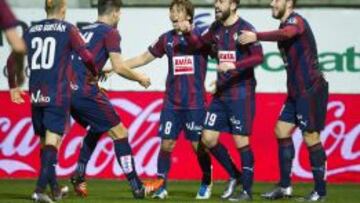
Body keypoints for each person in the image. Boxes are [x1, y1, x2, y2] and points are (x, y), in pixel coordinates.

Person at [6, 0, 97, 202]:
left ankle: (55, 190)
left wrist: (13, 86)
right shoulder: (68, 29)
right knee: (52, 142)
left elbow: (12, 60)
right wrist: (94, 74)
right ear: (63, 9)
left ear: (46, 8)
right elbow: (87, 56)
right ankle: (39, 190)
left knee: (45, 145)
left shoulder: (32, 29)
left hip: (36, 94)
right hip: (57, 94)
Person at [239, 0, 329, 201]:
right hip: (296, 92)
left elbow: (288, 33)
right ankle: (285, 186)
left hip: (310, 89)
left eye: (276, 0)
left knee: (311, 137)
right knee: (281, 130)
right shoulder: (284, 24)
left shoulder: (296, 20)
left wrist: (257, 36)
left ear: (288, 2)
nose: (272, 3)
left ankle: (320, 191)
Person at [122, 0, 213, 199]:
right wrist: (116, 65)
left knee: (197, 146)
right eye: (171, 10)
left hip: (195, 102)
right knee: (166, 144)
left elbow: (216, 52)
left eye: (178, 11)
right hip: (172, 102)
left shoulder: (201, 38)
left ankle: (207, 180)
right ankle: (161, 185)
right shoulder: (166, 39)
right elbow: (143, 57)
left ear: (188, 16)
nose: (173, 14)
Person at [178, 0, 264, 201]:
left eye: (221, 1)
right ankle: (235, 175)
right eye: (215, 1)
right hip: (221, 93)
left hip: (241, 93)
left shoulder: (245, 29)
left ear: (233, 5)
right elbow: (199, 45)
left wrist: (233, 64)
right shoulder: (216, 28)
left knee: (241, 142)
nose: (216, 5)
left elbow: (258, 57)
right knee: (207, 139)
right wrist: (188, 32)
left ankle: (247, 192)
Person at [69, 0, 150, 199]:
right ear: (114, 12)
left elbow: (75, 61)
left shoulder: (82, 29)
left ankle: (79, 173)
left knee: (97, 127)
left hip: (66, 91)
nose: (120, 17)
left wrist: (93, 77)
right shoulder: (110, 32)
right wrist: (141, 78)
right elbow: (119, 66)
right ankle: (137, 186)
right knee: (120, 133)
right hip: (84, 92)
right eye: (120, 13)